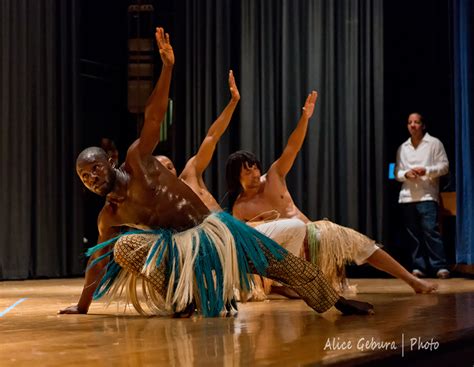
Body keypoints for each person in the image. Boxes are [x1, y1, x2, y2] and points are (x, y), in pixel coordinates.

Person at [59, 27, 373, 318]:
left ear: (110, 161)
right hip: (180, 254)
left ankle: (335, 301)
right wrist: (82, 307)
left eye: (95, 169)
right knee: (124, 247)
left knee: (281, 264)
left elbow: (153, 118)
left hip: (214, 231)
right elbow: (98, 262)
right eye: (85, 177)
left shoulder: (137, 160)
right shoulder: (109, 216)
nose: (92, 178)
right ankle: (181, 297)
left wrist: (167, 67)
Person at [225, 92, 438, 294]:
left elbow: (292, 147)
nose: (254, 172)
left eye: (254, 167)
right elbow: (247, 247)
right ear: (237, 177)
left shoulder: (273, 176)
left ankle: (413, 281)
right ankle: (286, 287)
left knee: (363, 246)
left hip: (315, 235)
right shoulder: (240, 207)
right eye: (247, 170)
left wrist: (305, 118)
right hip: (285, 257)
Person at [156, 70, 303, 300]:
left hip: (234, 236)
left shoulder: (190, 174)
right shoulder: (165, 203)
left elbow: (212, 136)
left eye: (169, 164)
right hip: (214, 249)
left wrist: (233, 102)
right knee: (238, 295)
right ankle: (258, 283)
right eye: (162, 168)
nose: (168, 168)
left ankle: (276, 281)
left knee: (296, 228)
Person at [395, 112, 450, 279]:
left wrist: (427, 170)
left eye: (416, 122)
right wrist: (406, 174)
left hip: (427, 195)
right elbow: (396, 172)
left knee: (430, 231)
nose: (413, 125)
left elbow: (444, 167)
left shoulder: (434, 143)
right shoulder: (403, 147)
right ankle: (419, 266)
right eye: (410, 122)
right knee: (413, 236)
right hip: (407, 197)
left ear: (423, 125)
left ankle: (439, 266)